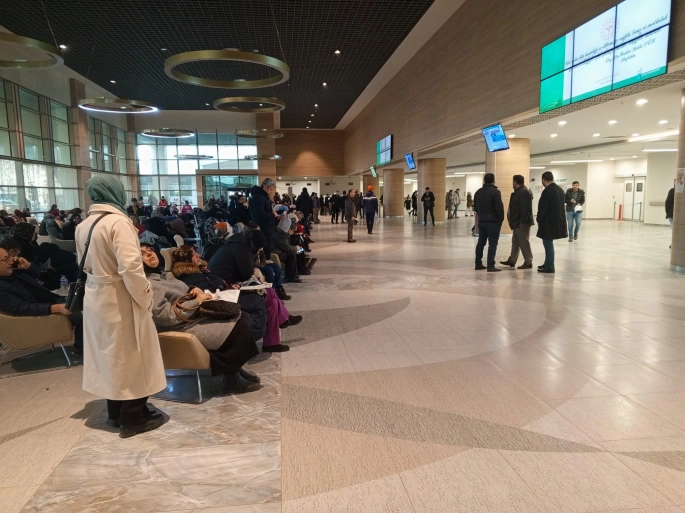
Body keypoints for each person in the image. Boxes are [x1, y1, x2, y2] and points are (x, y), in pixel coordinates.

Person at [75, 174, 167, 439]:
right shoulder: (119, 223)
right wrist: (145, 297)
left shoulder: (84, 225)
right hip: (120, 296)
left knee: (111, 357)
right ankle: (133, 417)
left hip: (96, 296)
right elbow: (131, 268)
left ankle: (115, 412)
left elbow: (82, 263)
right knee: (135, 355)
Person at [142, 244, 261, 392]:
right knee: (238, 327)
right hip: (181, 326)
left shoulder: (164, 275)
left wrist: (193, 289)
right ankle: (231, 379)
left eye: (150, 250)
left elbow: (180, 292)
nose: (149, 254)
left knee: (240, 317)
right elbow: (165, 316)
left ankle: (235, 369)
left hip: (191, 318)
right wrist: (197, 301)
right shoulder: (149, 285)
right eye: (142, 253)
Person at [0, 239, 83, 354]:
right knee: (81, 315)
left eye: (9, 257)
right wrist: (56, 308)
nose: (11, 261)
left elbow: (37, 276)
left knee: (84, 298)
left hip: (49, 300)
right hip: (41, 311)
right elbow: (23, 308)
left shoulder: (12, 272)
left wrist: (28, 266)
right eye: (5, 259)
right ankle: (82, 348)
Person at [500, 175, 534, 270]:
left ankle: (528, 261)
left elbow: (525, 208)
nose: (512, 184)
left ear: (515, 182)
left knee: (523, 242)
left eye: (513, 182)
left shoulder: (524, 192)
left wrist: (522, 221)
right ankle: (512, 260)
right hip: (516, 221)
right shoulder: (519, 191)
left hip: (521, 222)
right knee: (516, 241)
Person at [536, 171, 567, 274]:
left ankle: (550, 266)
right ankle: (547, 263)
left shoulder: (547, 191)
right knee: (548, 243)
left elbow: (543, 207)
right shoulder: (560, 190)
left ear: (543, 180)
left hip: (548, 222)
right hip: (557, 221)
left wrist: (539, 219)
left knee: (548, 244)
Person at [473, 173, 504, 272]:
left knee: (481, 242)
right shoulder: (496, 192)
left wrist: (481, 215)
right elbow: (499, 208)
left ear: (484, 180)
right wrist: (501, 219)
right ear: (493, 181)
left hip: (482, 221)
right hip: (493, 222)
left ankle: (478, 263)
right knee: (493, 243)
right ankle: (490, 265)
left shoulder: (478, 192)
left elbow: (476, 208)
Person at [249, 178, 278, 258]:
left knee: (267, 252)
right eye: (270, 189)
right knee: (266, 253)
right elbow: (260, 214)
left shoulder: (261, 196)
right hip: (264, 229)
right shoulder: (259, 197)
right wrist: (273, 215)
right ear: (265, 187)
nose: (271, 192)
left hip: (265, 228)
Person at [269, 216, 301, 282]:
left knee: (294, 252)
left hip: (280, 251)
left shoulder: (283, 234)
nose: (293, 232)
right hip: (276, 253)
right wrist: (295, 248)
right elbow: (286, 247)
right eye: (292, 230)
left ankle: (294, 274)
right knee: (292, 253)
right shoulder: (280, 235)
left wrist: (295, 249)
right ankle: (291, 276)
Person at [666, 180, 675, 248]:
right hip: (673, 214)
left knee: (674, 230)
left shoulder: (672, 191)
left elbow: (667, 203)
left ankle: (674, 244)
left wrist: (668, 212)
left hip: (671, 214)